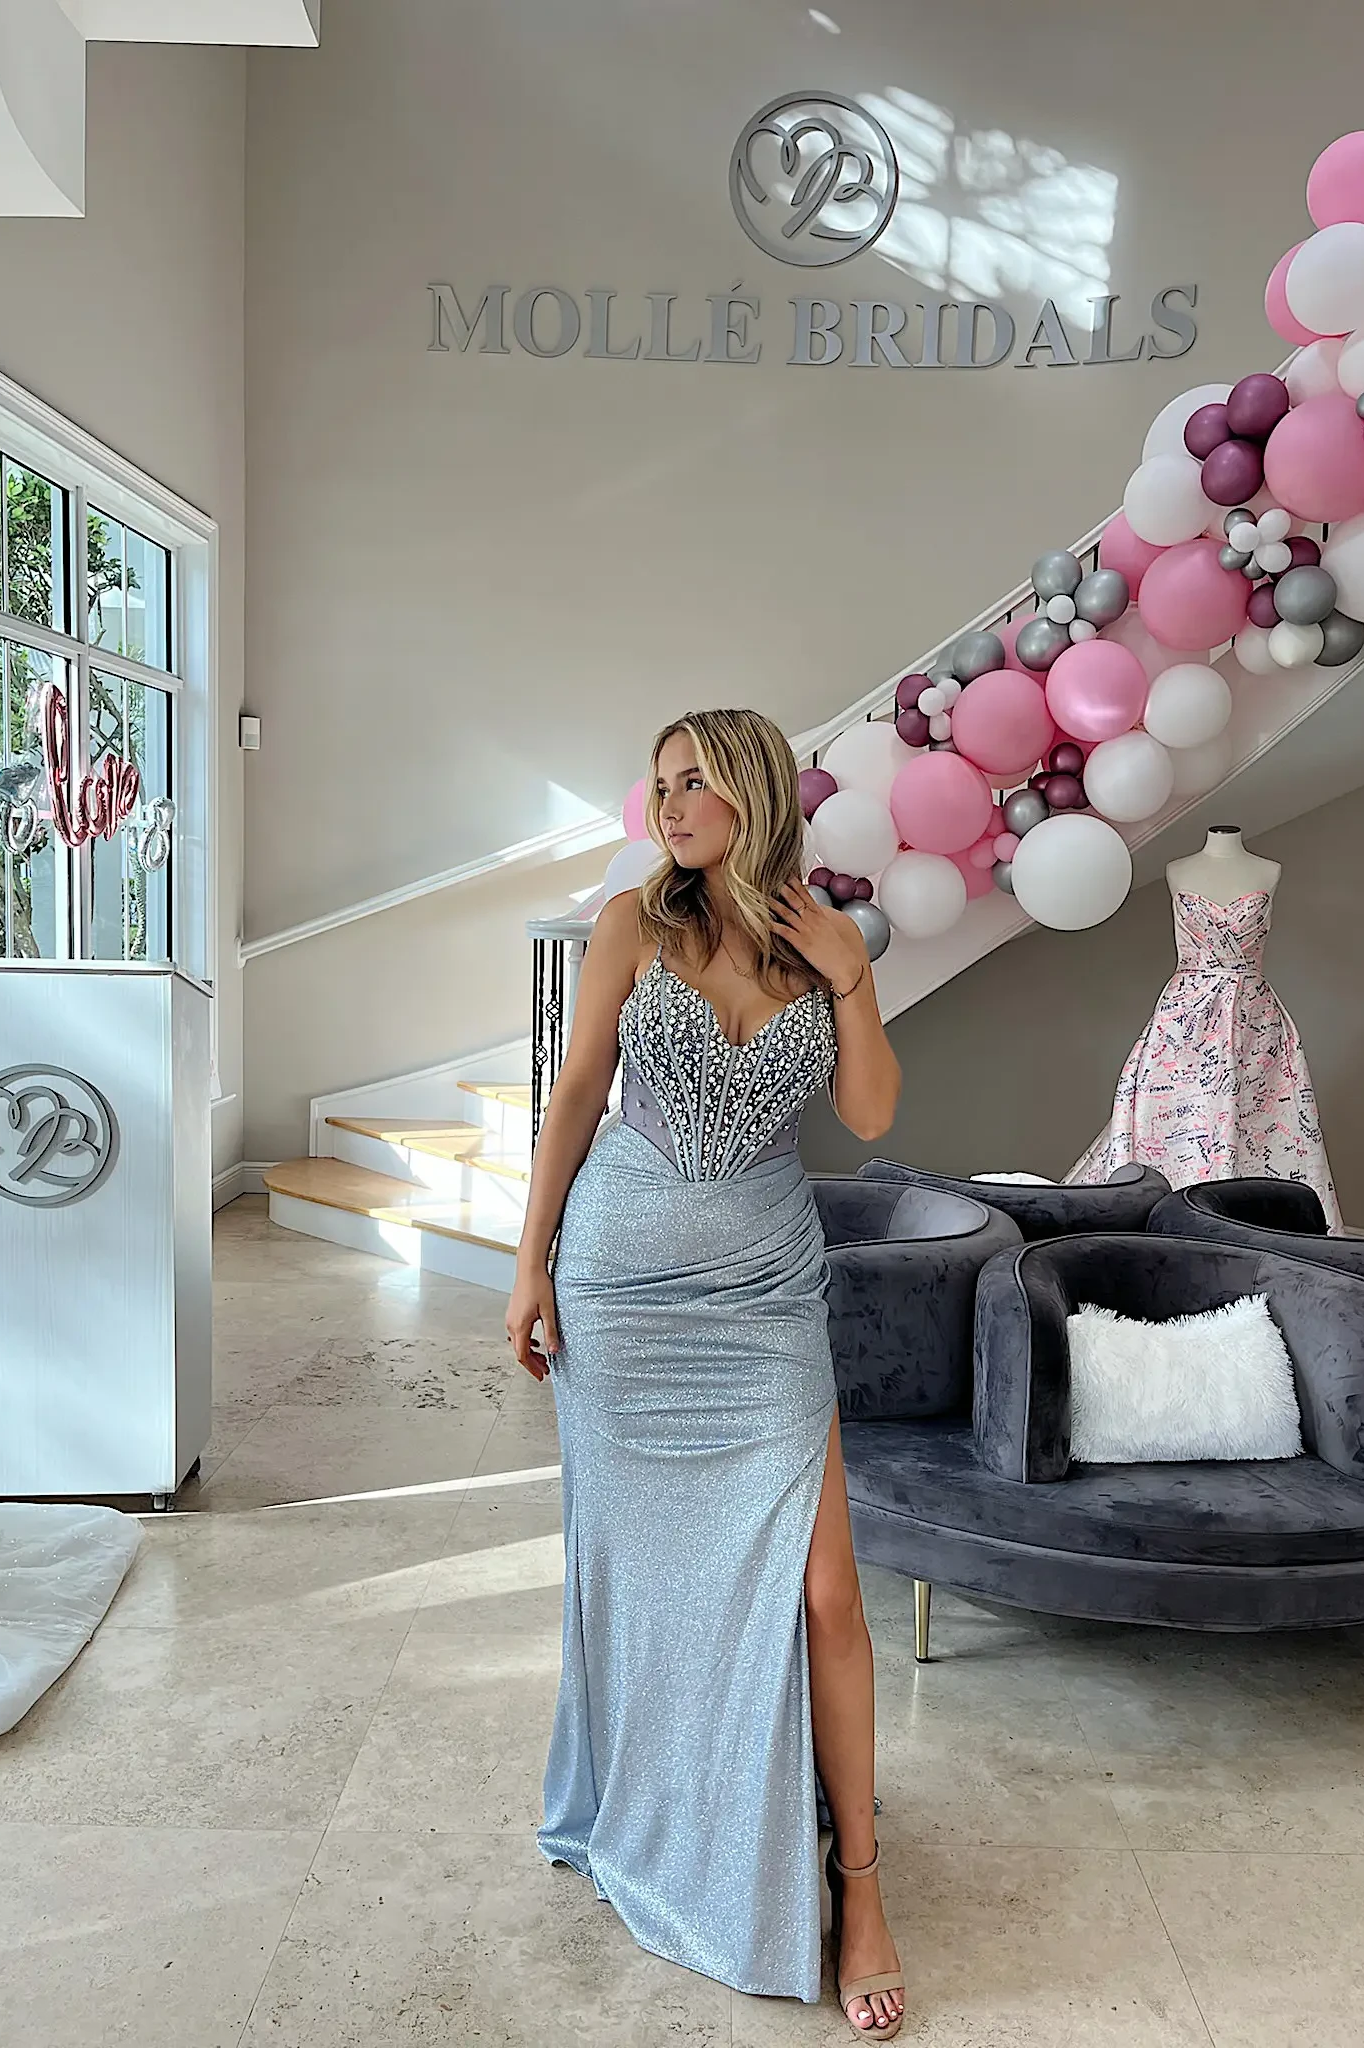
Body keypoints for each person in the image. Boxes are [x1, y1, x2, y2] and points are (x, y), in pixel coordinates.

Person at [505, 708, 906, 2037]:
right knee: (646, 1578)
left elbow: (868, 1117)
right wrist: (531, 1263)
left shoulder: (820, 944)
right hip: (625, 1292)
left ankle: (860, 1889)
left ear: (751, 793)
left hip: (763, 1305)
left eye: (694, 781)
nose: (668, 803)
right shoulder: (635, 920)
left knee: (830, 1594)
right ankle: (669, 1814)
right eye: (659, 782)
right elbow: (575, 1098)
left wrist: (852, 978)